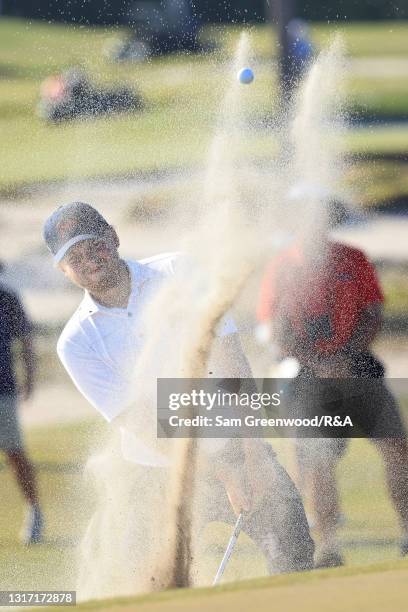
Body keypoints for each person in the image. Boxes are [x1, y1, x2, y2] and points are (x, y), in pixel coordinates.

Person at [42, 201, 314, 579]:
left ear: (115, 237)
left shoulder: (178, 271)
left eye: (96, 244)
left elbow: (233, 367)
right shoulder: (76, 343)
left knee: (293, 549)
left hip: (238, 446)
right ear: (63, 270)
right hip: (157, 477)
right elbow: (141, 422)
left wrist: (252, 454)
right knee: (153, 580)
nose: (90, 259)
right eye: (75, 255)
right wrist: (221, 473)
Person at [256, 207, 408, 568]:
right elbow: (275, 328)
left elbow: (372, 312)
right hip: (306, 374)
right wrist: (319, 363)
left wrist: (346, 358)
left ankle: (406, 531)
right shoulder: (282, 265)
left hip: (357, 367)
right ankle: (327, 545)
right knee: (315, 456)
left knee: (397, 448)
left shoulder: (352, 258)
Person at [0, 263, 43, 544]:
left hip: (3, 388)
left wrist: (29, 376)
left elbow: (26, 341)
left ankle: (35, 511)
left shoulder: (7, 298)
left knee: (14, 453)